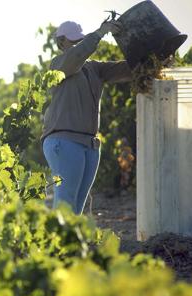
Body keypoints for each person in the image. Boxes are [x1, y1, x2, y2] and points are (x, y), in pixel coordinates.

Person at [41, 20, 133, 214]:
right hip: (63, 142)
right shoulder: (58, 65)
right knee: (66, 200)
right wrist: (99, 33)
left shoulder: (94, 68)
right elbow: (76, 57)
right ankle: (59, 242)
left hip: (89, 145)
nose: (76, 44)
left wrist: (152, 57)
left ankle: (72, 242)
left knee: (78, 204)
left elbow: (127, 68)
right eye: (72, 41)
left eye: (79, 40)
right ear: (61, 42)